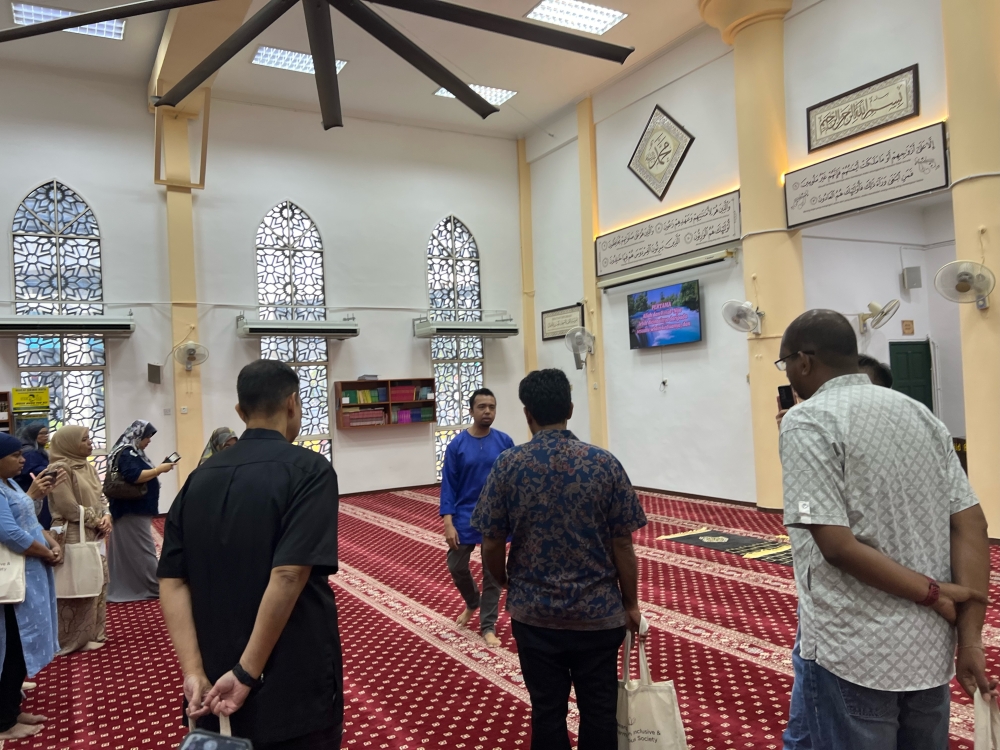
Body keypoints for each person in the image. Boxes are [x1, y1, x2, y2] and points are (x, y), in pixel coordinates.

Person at [777, 309, 994, 750]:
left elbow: (836, 546)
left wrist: (931, 592)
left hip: (853, 648)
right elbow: (971, 522)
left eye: (785, 365)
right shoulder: (919, 414)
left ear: (803, 360)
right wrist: (971, 640)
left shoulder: (808, 420)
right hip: (929, 650)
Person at [158, 359, 343, 749]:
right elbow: (289, 574)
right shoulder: (309, 470)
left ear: (241, 412)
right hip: (288, 669)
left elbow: (173, 579)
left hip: (210, 676)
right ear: (293, 403)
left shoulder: (198, 477)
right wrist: (247, 672)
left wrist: (192, 671)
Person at [472, 369, 647, 750]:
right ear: (569, 408)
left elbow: (490, 540)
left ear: (526, 414)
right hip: (598, 617)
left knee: (547, 711)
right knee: (599, 711)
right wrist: (630, 604)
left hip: (535, 616)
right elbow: (623, 545)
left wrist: (504, 582)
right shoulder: (604, 464)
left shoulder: (509, 465)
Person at [440, 388, 514, 647]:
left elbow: (513, 482)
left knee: (492, 573)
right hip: (464, 516)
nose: (487, 411)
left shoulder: (505, 442)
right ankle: (473, 602)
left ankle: (488, 625)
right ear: (471, 410)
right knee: (456, 566)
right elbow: (448, 485)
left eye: (491, 407)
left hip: (495, 517)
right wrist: (448, 522)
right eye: (481, 407)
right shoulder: (457, 445)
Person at [0, 433, 62, 740]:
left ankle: (11, 709)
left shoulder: (10, 484)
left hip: (30, 575)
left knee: (19, 647)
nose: (23, 460)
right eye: (15, 456)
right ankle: (4, 722)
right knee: (10, 647)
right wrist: (45, 552)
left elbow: (31, 524)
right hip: (12, 581)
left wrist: (50, 541)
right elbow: (11, 533)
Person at [47, 426, 112, 655]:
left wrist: (106, 515)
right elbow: (67, 507)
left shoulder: (88, 467)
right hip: (73, 534)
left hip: (93, 532)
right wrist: (96, 520)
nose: (90, 443)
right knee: (76, 586)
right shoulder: (58, 468)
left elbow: (101, 497)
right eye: (84, 440)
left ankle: (93, 633)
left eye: (89, 439)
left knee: (98, 582)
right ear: (70, 444)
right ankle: (71, 640)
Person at [106, 420, 175, 602]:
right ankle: (153, 586)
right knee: (144, 550)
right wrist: (159, 469)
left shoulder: (133, 452)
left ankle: (135, 585)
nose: (149, 441)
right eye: (147, 437)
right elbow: (134, 476)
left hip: (132, 509)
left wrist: (158, 469)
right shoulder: (128, 452)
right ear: (138, 436)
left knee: (131, 550)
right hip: (131, 509)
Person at [13, 424, 52, 528]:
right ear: (33, 435)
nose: (45, 436)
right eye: (42, 433)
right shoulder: (29, 452)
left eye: (46, 433)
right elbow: (30, 471)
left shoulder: (38, 450)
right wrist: (50, 470)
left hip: (39, 491)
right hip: (29, 489)